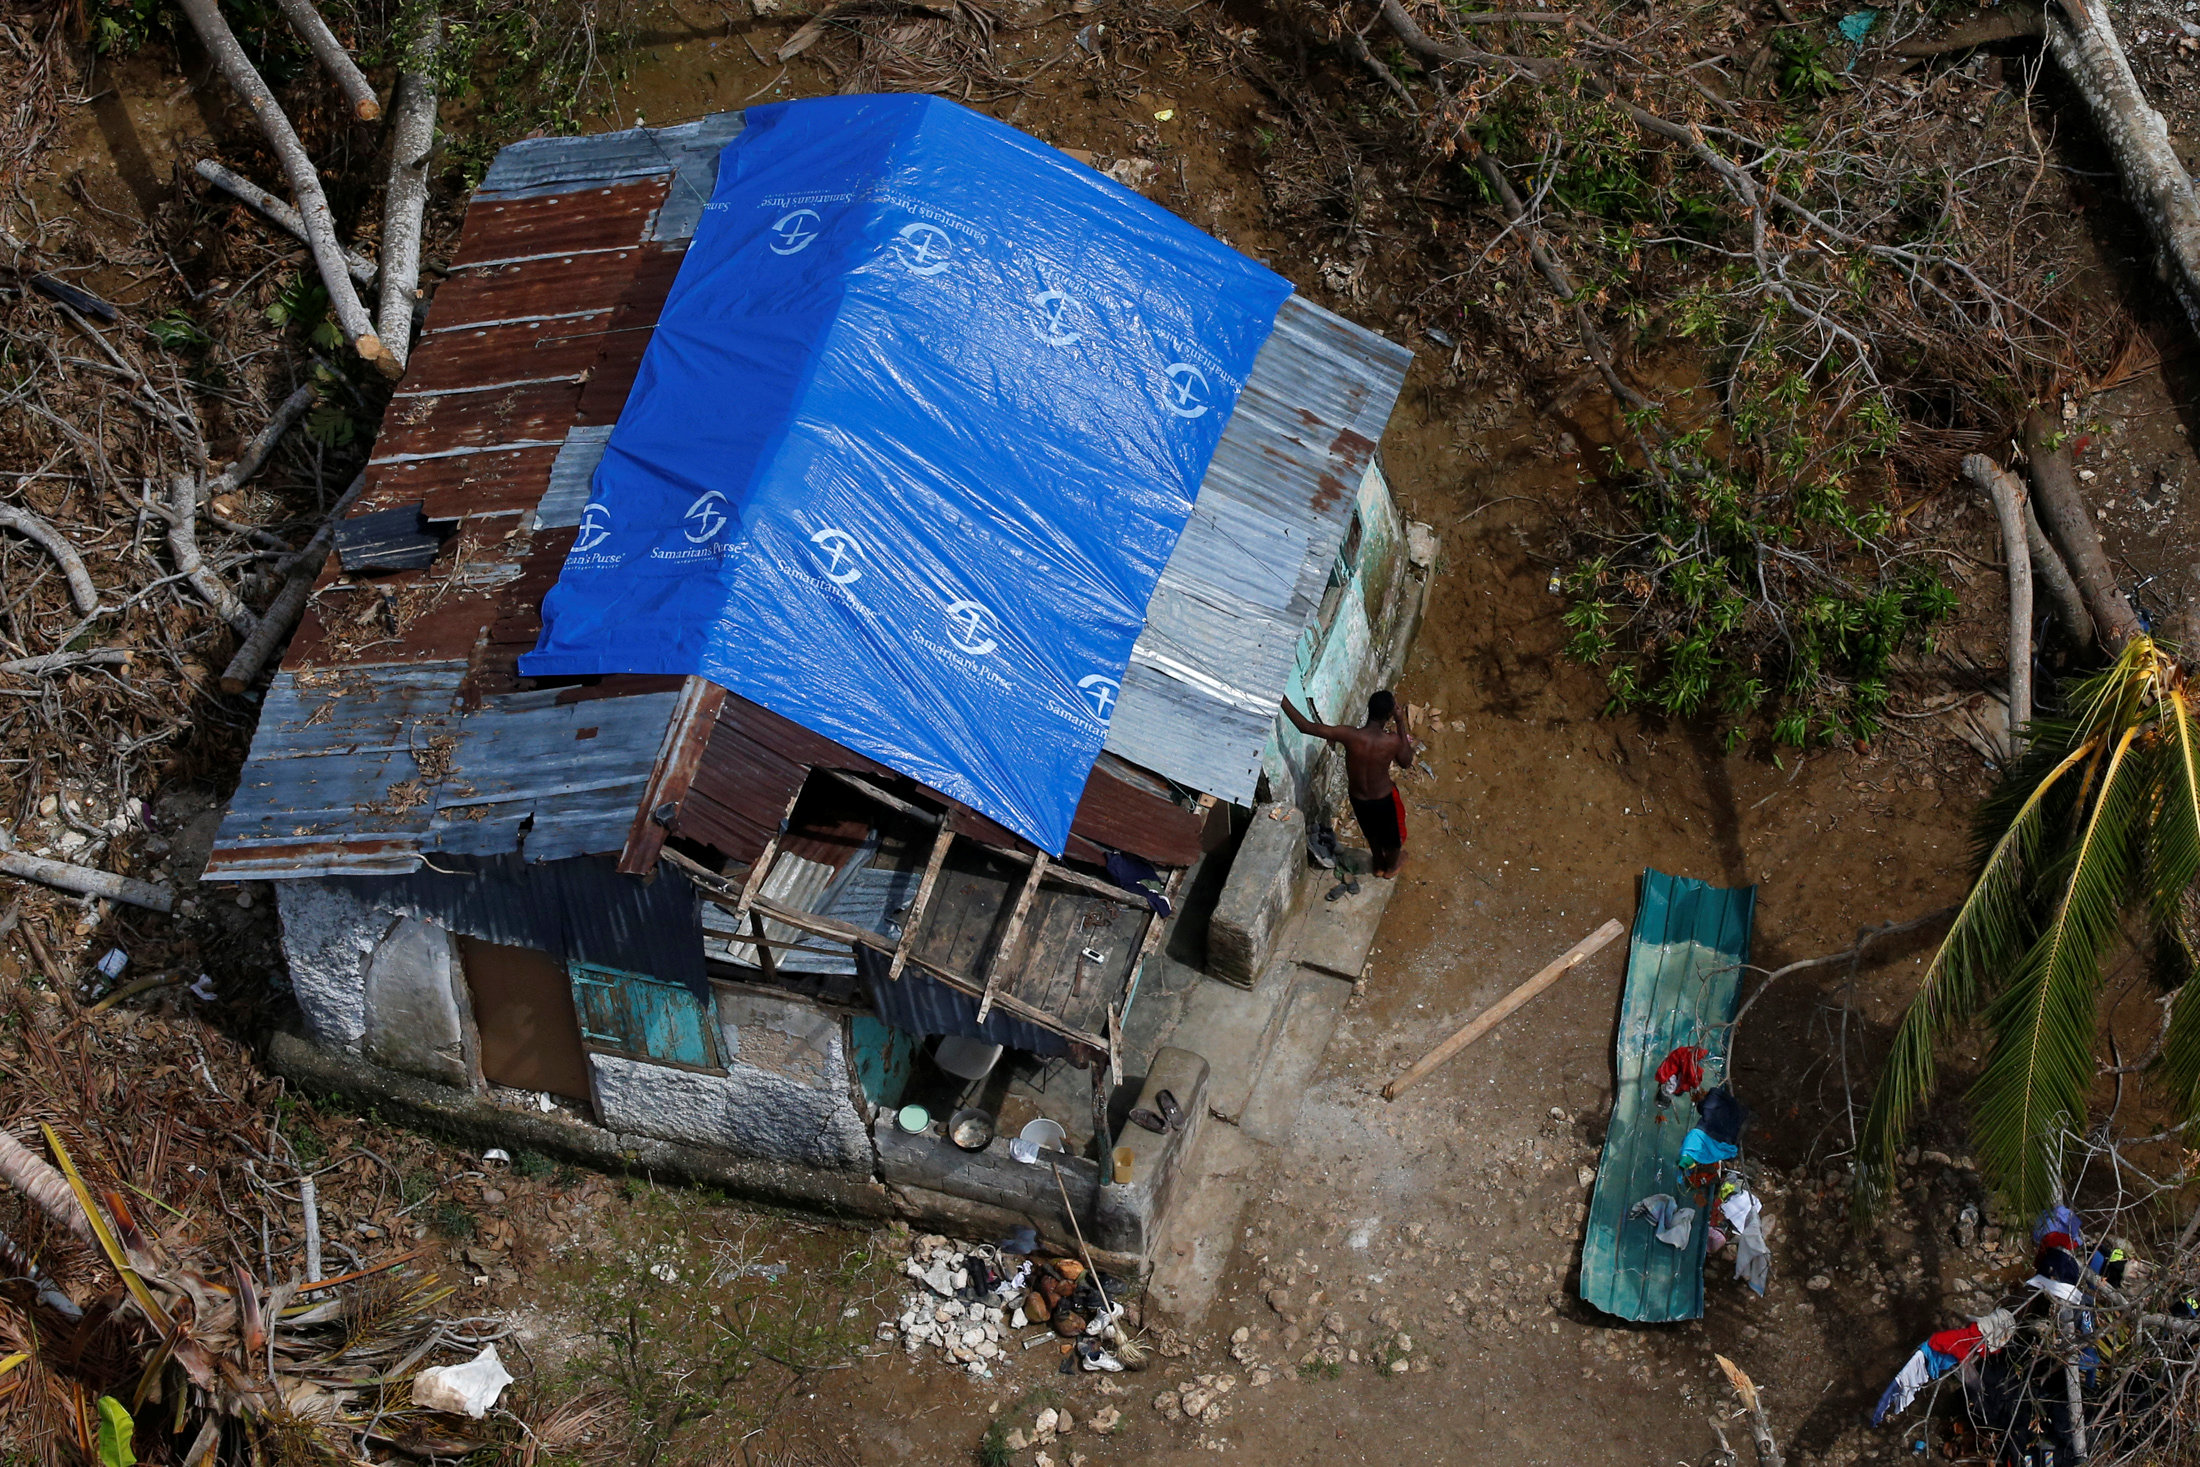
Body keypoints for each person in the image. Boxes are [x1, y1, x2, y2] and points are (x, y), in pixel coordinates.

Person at [1279, 689, 1416, 877]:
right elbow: (1406, 762)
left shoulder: (1350, 735)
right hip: (1382, 798)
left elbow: (1305, 726)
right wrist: (1400, 722)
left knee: (1372, 834)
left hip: (1359, 798)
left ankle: (1378, 864)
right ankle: (1390, 867)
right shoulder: (1391, 741)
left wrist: (1280, 696)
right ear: (1389, 715)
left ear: (1369, 709)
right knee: (1392, 841)